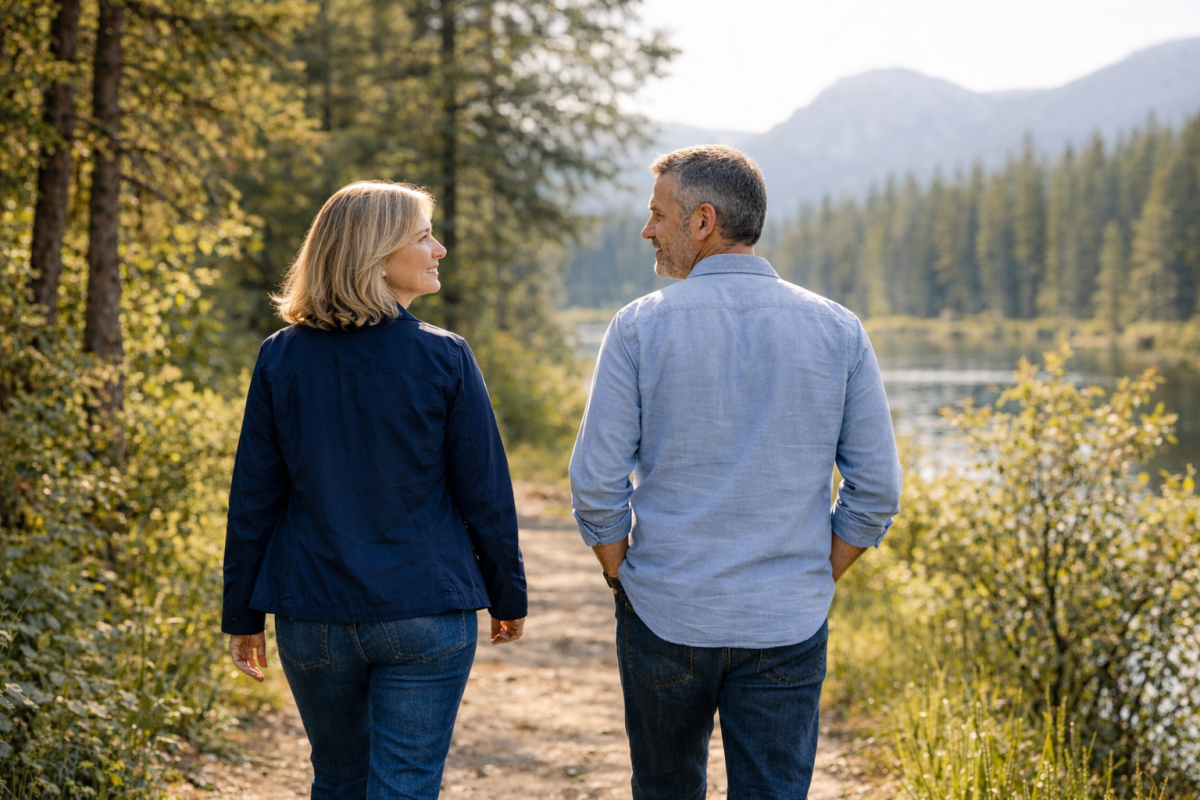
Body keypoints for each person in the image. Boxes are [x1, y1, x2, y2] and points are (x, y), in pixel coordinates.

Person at [569, 146, 902, 799]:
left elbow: (595, 482)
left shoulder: (638, 328)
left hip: (665, 608)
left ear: (703, 221)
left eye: (658, 215)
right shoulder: (839, 330)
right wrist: (814, 572)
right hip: (787, 619)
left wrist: (620, 574)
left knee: (665, 788)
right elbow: (878, 490)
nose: (647, 230)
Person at [221, 180, 527, 799]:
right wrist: (507, 594)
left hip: (311, 614)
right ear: (375, 253)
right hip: (425, 613)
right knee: (405, 786)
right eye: (423, 236)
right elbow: (485, 493)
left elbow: (255, 497)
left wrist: (242, 614)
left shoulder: (280, 358)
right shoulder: (444, 357)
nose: (439, 249)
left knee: (337, 781)